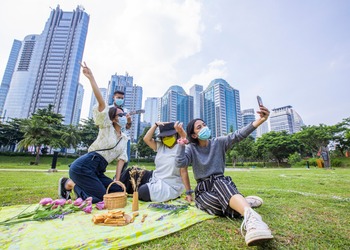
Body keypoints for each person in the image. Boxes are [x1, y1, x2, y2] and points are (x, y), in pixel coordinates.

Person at [174, 105, 273, 246]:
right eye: (199, 127)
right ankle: (245, 203)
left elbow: (239, 134)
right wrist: (182, 142)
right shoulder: (191, 148)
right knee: (212, 206)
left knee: (219, 182)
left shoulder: (219, 143)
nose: (204, 127)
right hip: (203, 189)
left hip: (220, 182)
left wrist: (261, 120)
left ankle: (252, 220)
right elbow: (180, 163)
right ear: (194, 135)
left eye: (204, 124)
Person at [58, 62, 128, 203]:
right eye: (120, 115)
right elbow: (102, 104)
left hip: (98, 170)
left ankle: (75, 185)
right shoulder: (106, 126)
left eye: (124, 115)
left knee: (118, 191)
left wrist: (117, 181)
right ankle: (69, 184)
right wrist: (91, 78)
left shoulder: (124, 138)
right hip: (85, 166)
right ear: (113, 119)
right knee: (102, 199)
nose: (123, 117)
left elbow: (121, 160)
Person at [118, 122, 191, 202]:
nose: (167, 138)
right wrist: (155, 125)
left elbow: (184, 172)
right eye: (164, 137)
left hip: (169, 184)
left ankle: (142, 188)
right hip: (155, 176)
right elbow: (146, 139)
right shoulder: (160, 146)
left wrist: (189, 193)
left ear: (176, 135)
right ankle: (115, 188)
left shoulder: (181, 148)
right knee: (130, 172)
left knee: (143, 191)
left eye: (170, 136)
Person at [113, 90, 132, 171]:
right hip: (112, 136)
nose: (120, 99)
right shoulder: (108, 108)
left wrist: (129, 121)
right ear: (113, 97)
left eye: (122, 98)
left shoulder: (126, 111)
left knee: (125, 160)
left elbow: (128, 127)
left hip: (124, 137)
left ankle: (119, 179)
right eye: (118, 97)